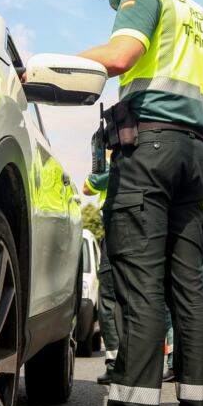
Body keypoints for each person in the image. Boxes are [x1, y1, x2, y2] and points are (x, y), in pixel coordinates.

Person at [59, 0, 203, 406]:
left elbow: (119, 56)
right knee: (188, 295)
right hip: (194, 159)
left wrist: (50, 65)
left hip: (147, 153)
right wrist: (182, 135)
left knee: (137, 288)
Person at [163, 192, 203, 374]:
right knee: (200, 311)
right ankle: (199, 363)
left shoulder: (178, 194)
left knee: (173, 309)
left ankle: (174, 363)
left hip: (181, 255)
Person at [82, 159, 119, 386]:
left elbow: (87, 187)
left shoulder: (115, 159)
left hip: (118, 231)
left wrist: (104, 163)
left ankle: (115, 363)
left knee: (109, 300)